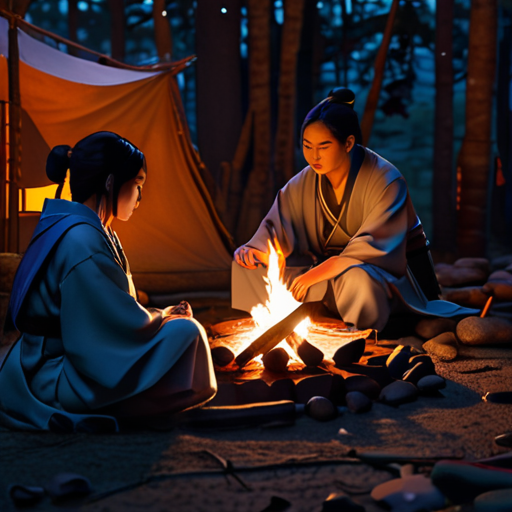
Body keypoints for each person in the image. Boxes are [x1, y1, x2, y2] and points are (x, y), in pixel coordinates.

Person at [0, 132, 216, 432]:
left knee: (178, 329)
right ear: (111, 183)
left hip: (57, 357)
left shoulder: (83, 228)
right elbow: (105, 329)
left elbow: (108, 313)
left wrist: (160, 316)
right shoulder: (82, 240)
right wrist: (164, 320)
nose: (140, 196)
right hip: (54, 374)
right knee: (186, 331)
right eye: (138, 184)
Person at [233, 88, 478, 331]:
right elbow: (276, 229)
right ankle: (265, 328)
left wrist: (319, 273)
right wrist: (255, 251)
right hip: (325, 272)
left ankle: (360, 336)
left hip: (388, 278)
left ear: (348, 143)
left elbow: (374, 249)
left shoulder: (386, 180)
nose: (313, 155)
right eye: (307, 146)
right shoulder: (304, 181)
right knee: (249, 269)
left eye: (324, 146)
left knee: (357, 280)